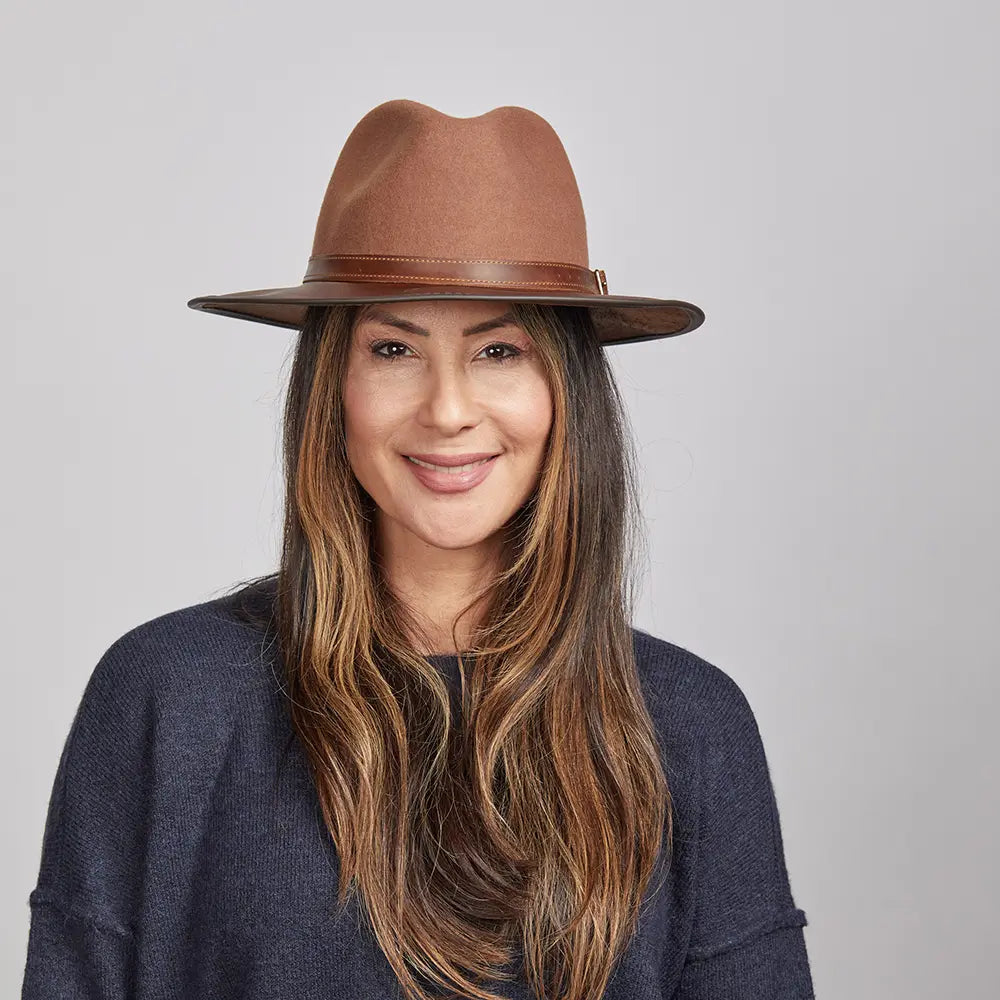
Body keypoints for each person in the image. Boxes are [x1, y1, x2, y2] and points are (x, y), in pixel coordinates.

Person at [21, 99, 815, 999]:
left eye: (499, 351)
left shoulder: (689, 724)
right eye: (395, 347)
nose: (446, 409)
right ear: (334, 390)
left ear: (566, 395)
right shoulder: (170, 696)